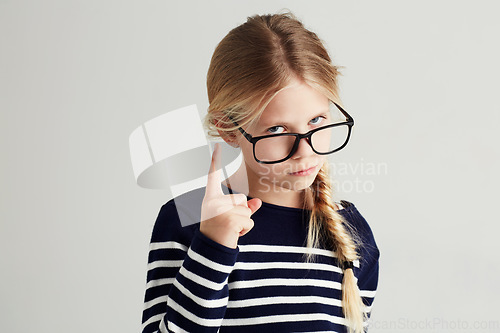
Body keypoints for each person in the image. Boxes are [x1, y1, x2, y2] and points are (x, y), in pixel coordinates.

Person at [142, 11, 379, 333]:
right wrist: (214, 244)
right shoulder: (187, 217)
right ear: (228, 128)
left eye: (317, 121)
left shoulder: (350, 233)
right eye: (278, 129)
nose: (305, 150)